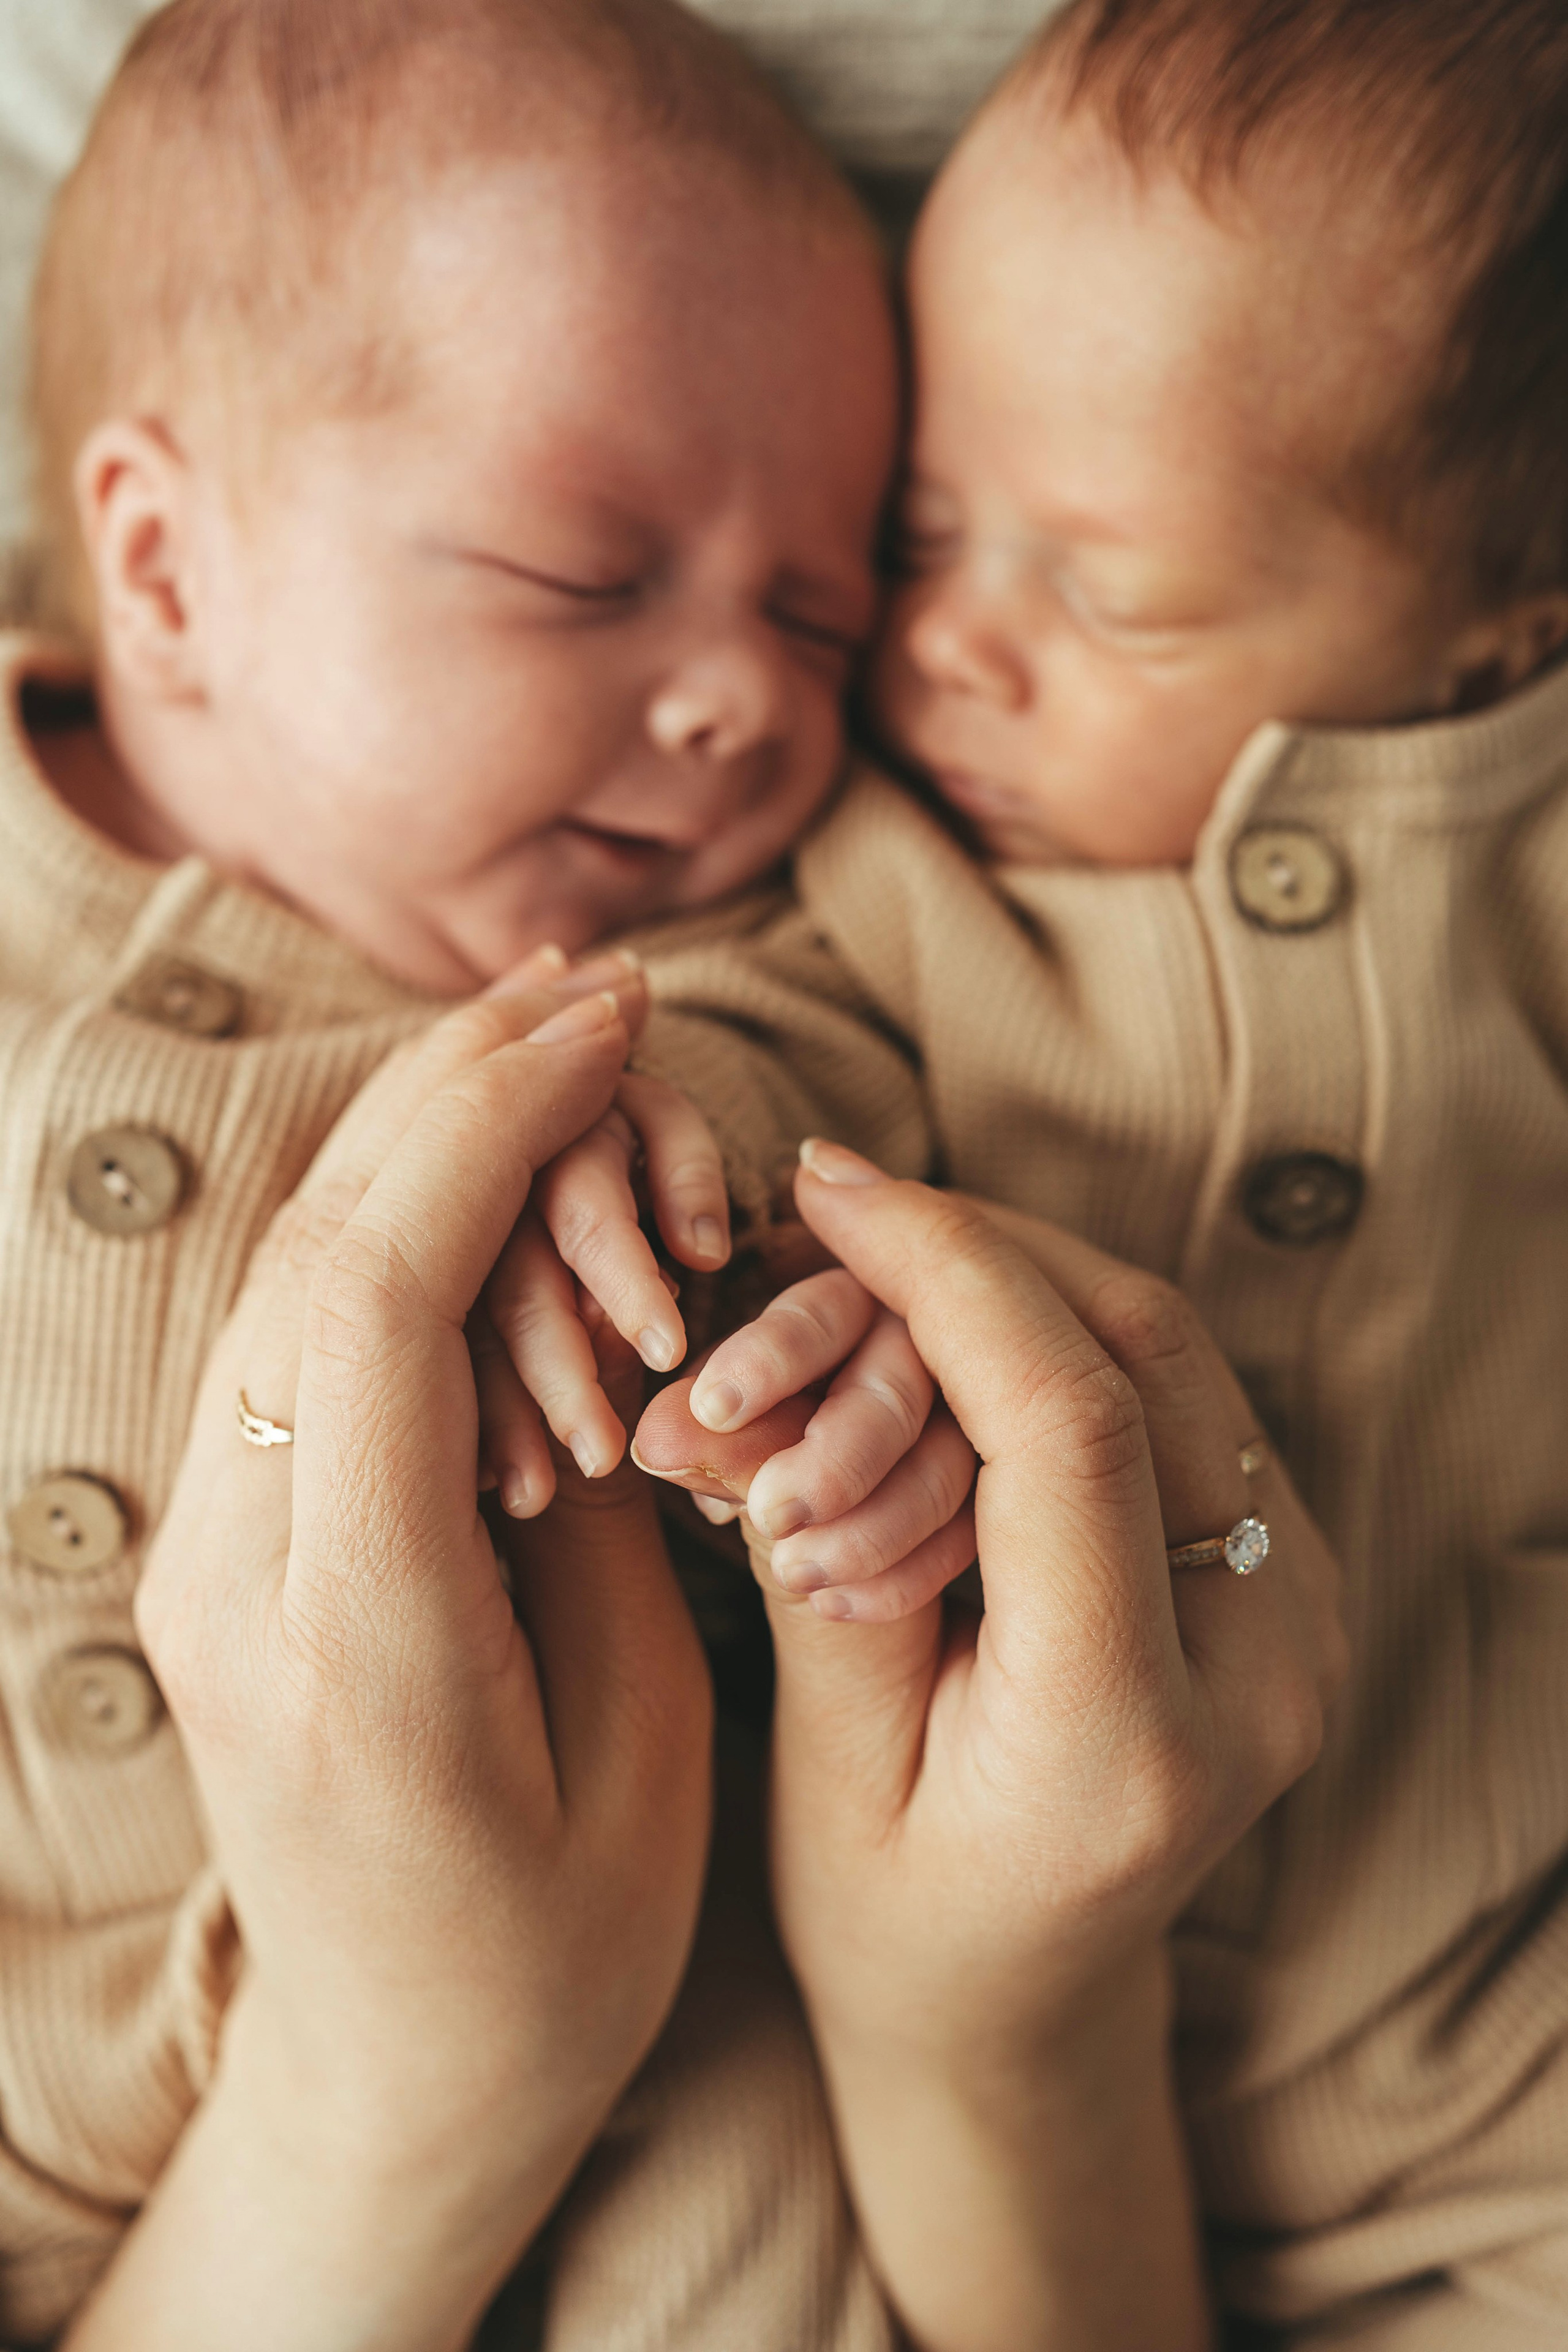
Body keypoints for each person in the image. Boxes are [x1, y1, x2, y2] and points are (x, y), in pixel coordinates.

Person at [502, 0, 1568, 2339]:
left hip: (1489, 1991)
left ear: (1507, 626)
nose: (947, 645)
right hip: (896, 1970)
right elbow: (755, 1019)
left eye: (1115, 591)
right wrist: (664, 1136)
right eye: (924, 530)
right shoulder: (895, 870)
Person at [0, 0, 904, 2340]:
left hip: (616, 2064)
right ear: (164, 568)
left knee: (760, 2172)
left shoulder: (700, 968)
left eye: (822, 618)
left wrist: (662, 1120)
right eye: (585, 574)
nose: (747, 699)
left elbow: (846, 1072)